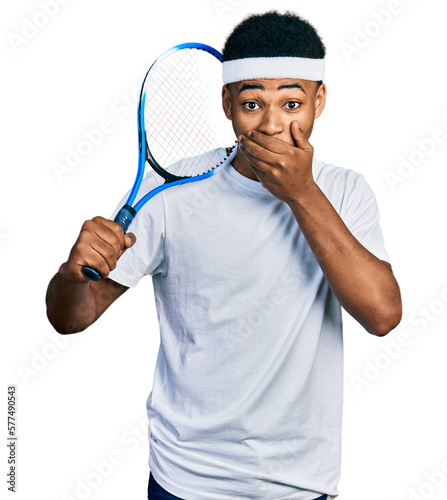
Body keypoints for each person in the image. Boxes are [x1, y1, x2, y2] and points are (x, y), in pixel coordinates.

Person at [46, 10, 402, 500]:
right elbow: (72, 317)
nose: (274, 124)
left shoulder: (345, 192)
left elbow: (382, 315)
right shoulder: (171, 192)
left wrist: (303, 194)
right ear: (227, 104)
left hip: (300, 484)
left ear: (319, 101)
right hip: (186, 479)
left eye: (292, 102)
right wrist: (71, 276)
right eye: (252, 102)